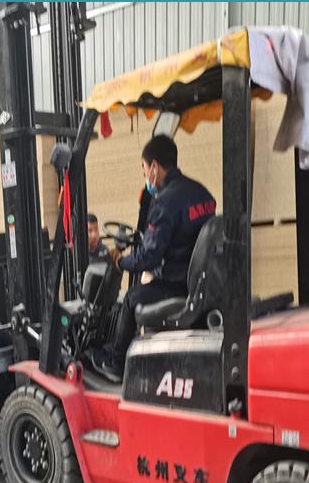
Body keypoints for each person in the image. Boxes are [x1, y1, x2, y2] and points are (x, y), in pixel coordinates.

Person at [92, 134, 216, 384]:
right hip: (200, 280)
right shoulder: (202, 193)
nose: (145, 176)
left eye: (144, 169)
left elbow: (149, 257)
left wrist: (121, 261)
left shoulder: (164, 202)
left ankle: (116, 364)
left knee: (131, 298)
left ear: (154, 168)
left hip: (178, 283)